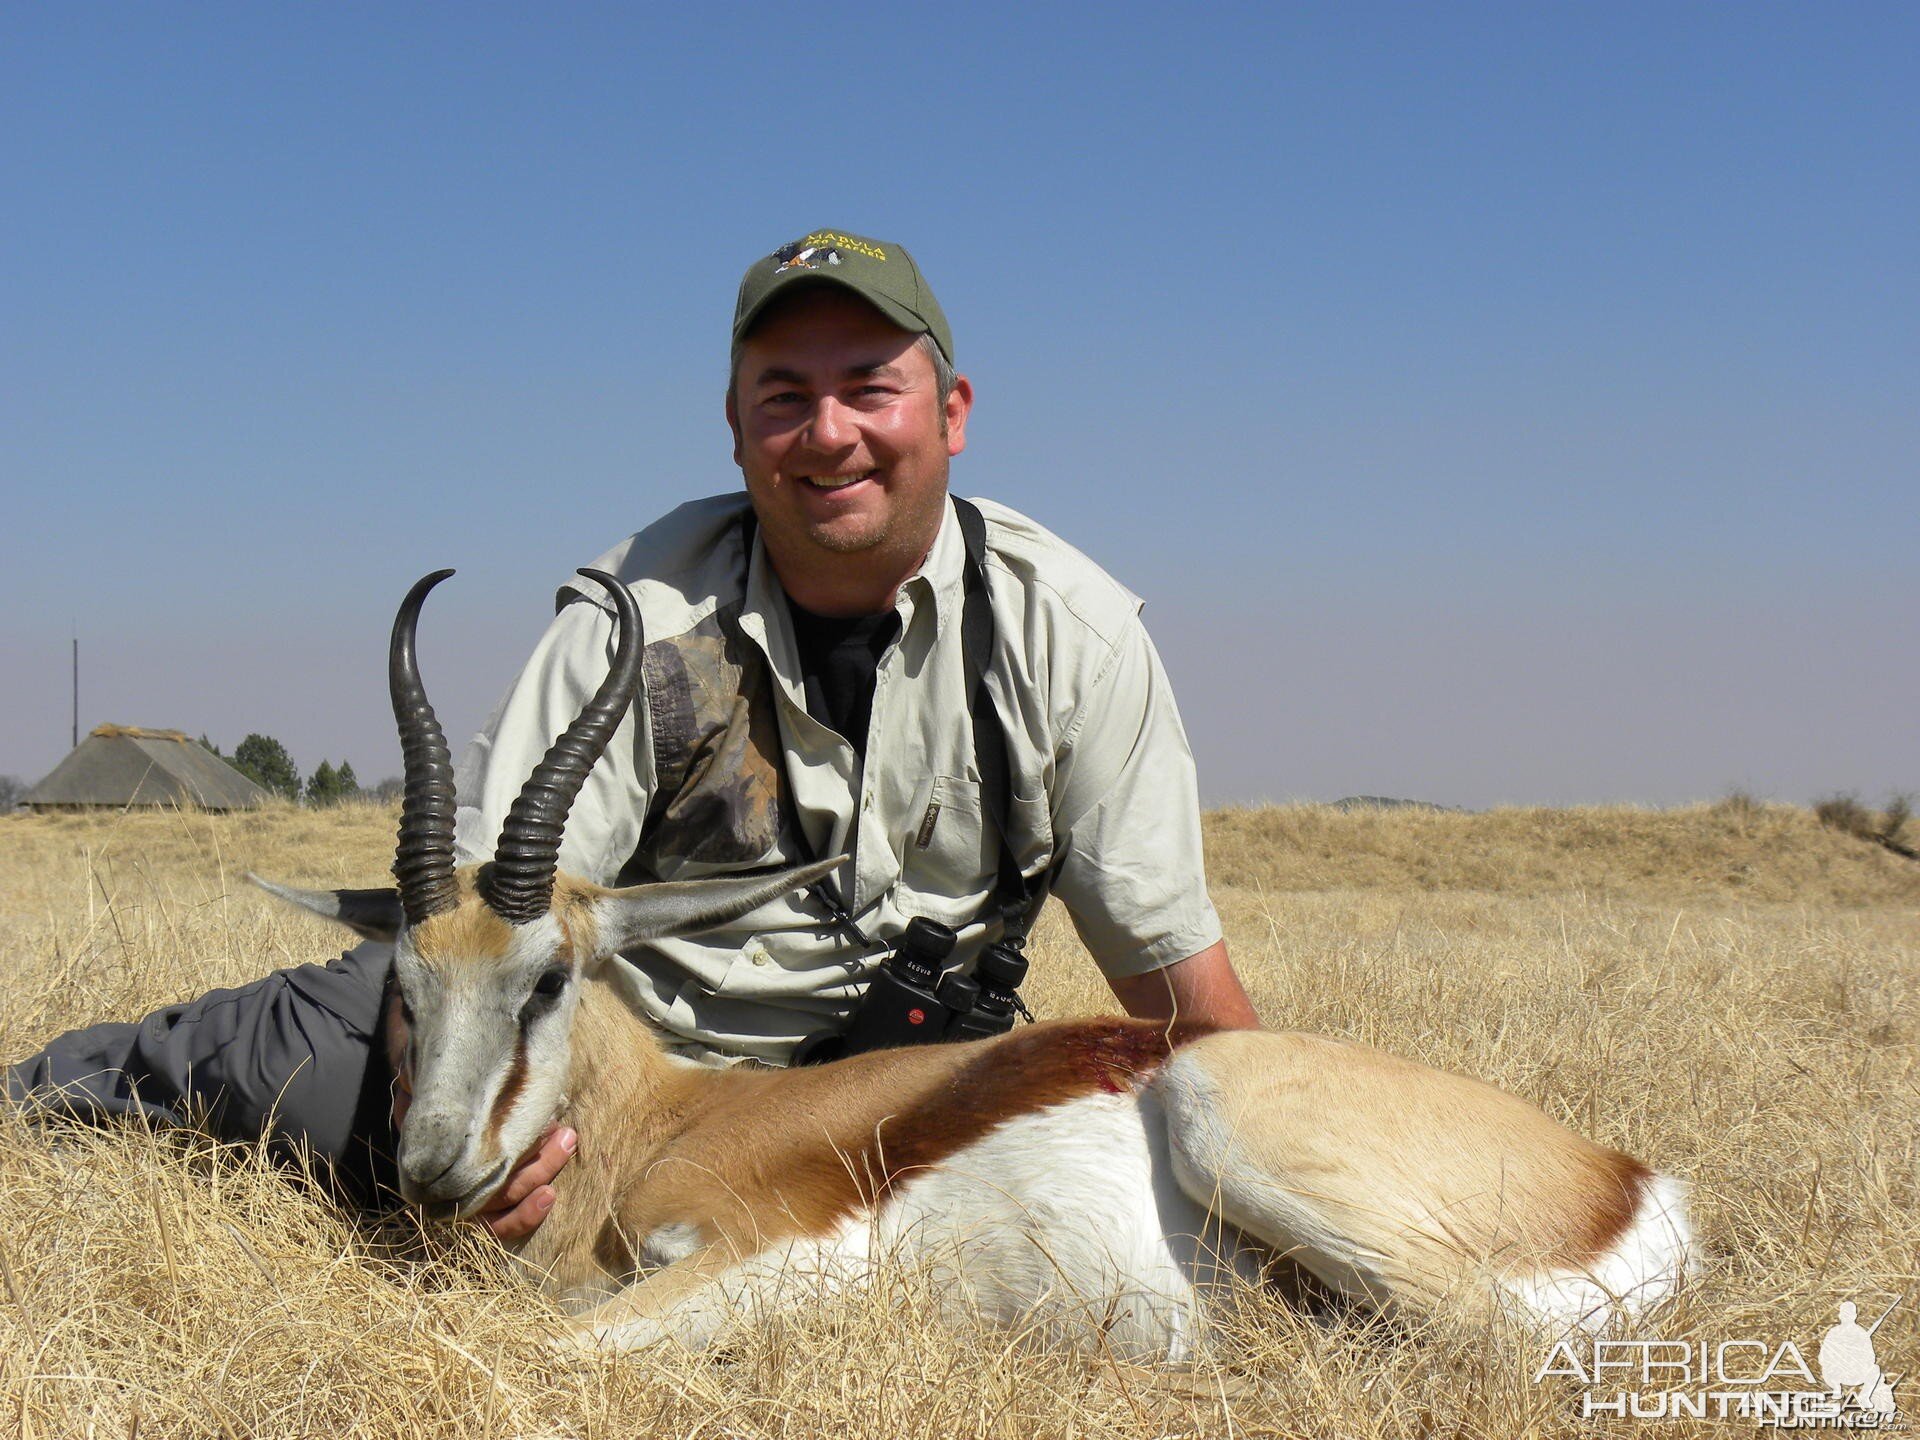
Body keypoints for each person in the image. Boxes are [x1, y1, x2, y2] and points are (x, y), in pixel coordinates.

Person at [7, 228, 1259, 1242]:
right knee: (289, 1067)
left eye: (870, 387)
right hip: (609, 1063)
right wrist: (451, 1122)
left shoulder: (1070, 640)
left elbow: (1182, 992)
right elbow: (475, 928)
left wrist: (1264, 1160)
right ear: (734, 425)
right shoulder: (640, 618)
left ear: (954, 409)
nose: (830, 433)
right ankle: (34, 1097)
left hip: (872, 1090)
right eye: (786, 396)